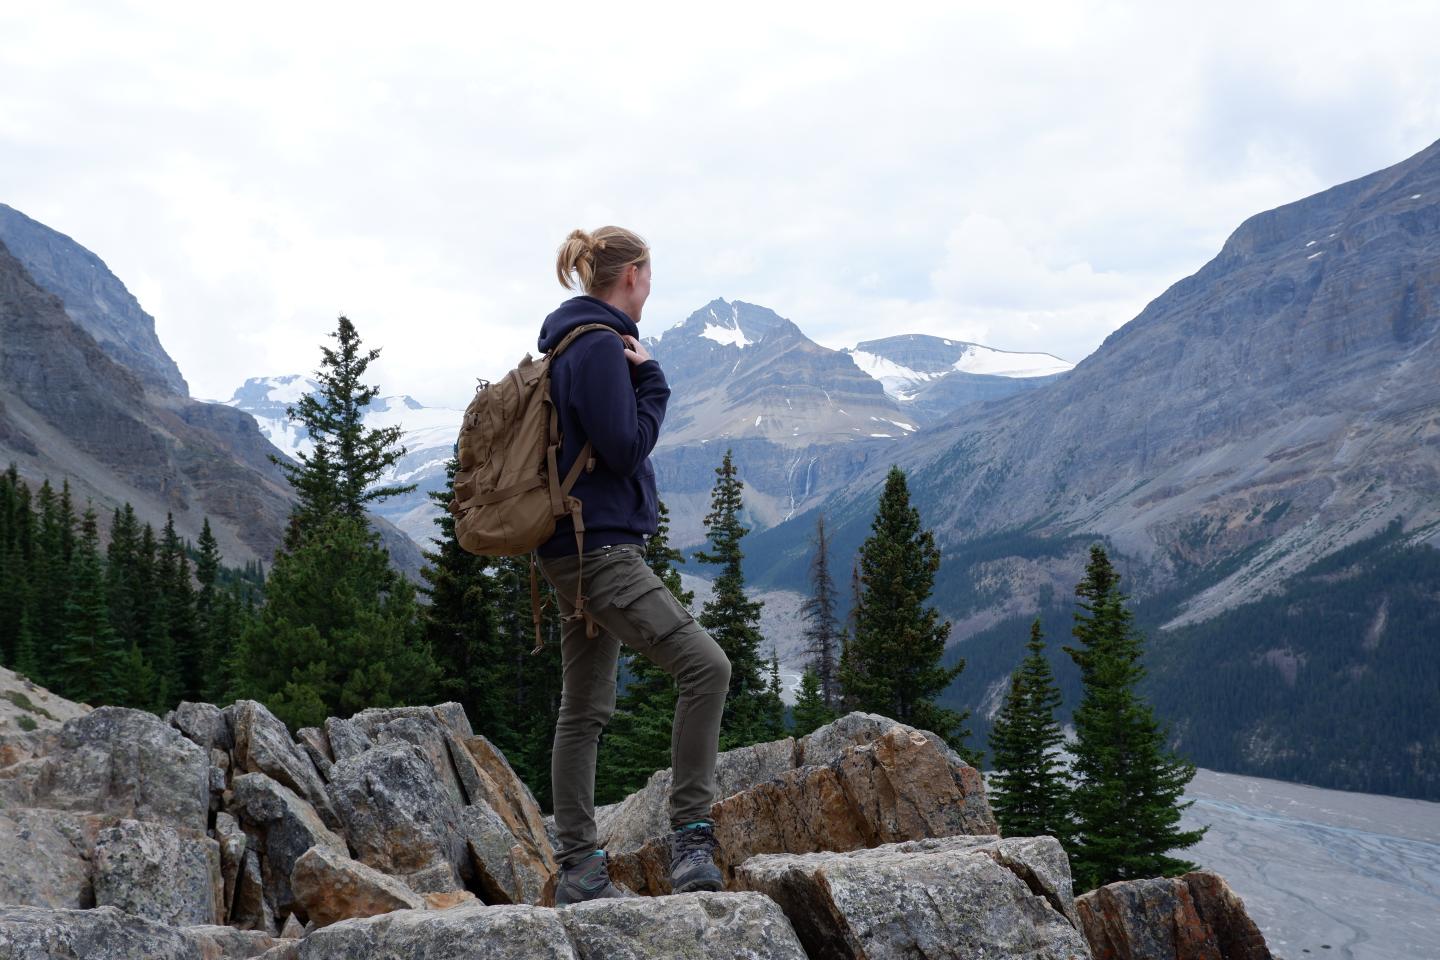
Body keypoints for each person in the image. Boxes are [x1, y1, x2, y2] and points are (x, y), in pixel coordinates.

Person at [536, 226, 732, 905]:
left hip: (574, 545)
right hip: (601, 551)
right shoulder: (596, 344)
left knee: (583, 707)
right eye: (650, 275)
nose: (651, 287)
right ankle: (692, 836)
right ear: (634, 274)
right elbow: (623, 449)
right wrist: (651, 381)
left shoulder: (571, 339)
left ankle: (579, 869)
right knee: (707, 667)